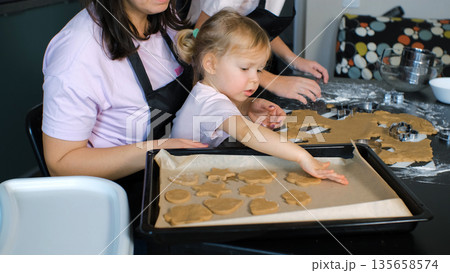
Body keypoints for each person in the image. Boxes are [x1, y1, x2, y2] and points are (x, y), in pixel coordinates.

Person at [41, 0, 286, 220]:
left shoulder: (161, 17)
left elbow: (199, 91)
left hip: (175, 170)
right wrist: (156, 149)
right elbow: (61, 164)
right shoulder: (77, 53)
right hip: (126, 198)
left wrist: (241, 106)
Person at [172, 9, 348, 184]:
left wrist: (248, 106)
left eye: (258, 70)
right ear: (211, 64)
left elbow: (223, 111)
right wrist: (302, 157)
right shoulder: (210, 102)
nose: (255, 79)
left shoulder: (207, 92)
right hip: (179, 177)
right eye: (244, 69)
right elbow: (247, 132)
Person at [185, 0, 330, 104]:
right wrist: (271, 80)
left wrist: (294, 60)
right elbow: (202, 38)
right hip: (204, 71)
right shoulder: (210, 101)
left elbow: (253, 31)